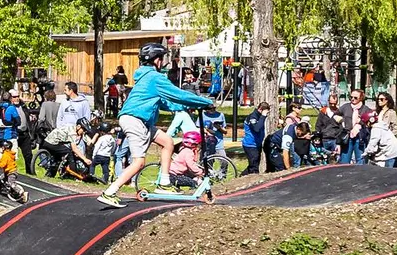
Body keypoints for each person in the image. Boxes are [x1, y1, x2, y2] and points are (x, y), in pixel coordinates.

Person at [97, 43, 214, 208]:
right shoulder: (155, 78)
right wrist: (205, 102)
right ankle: (109, 192)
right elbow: (177, 94)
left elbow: (165, 102)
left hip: (139, 120)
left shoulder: (146, 77)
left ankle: (164, 183)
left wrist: (187, 106)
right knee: (139, 162)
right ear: (157, 60)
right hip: (135, 119)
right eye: (162, 59)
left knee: (167, 142)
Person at [241, 101, 272, 173]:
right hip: (250, 145)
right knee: (254, 167)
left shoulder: (259, 116)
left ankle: (241, 177)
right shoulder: (253, 117)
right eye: (266, 113)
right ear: (261, 110)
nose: (267, 115)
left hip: (257, 144)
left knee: (254, 164)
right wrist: (263, 116)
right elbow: (256, 129)